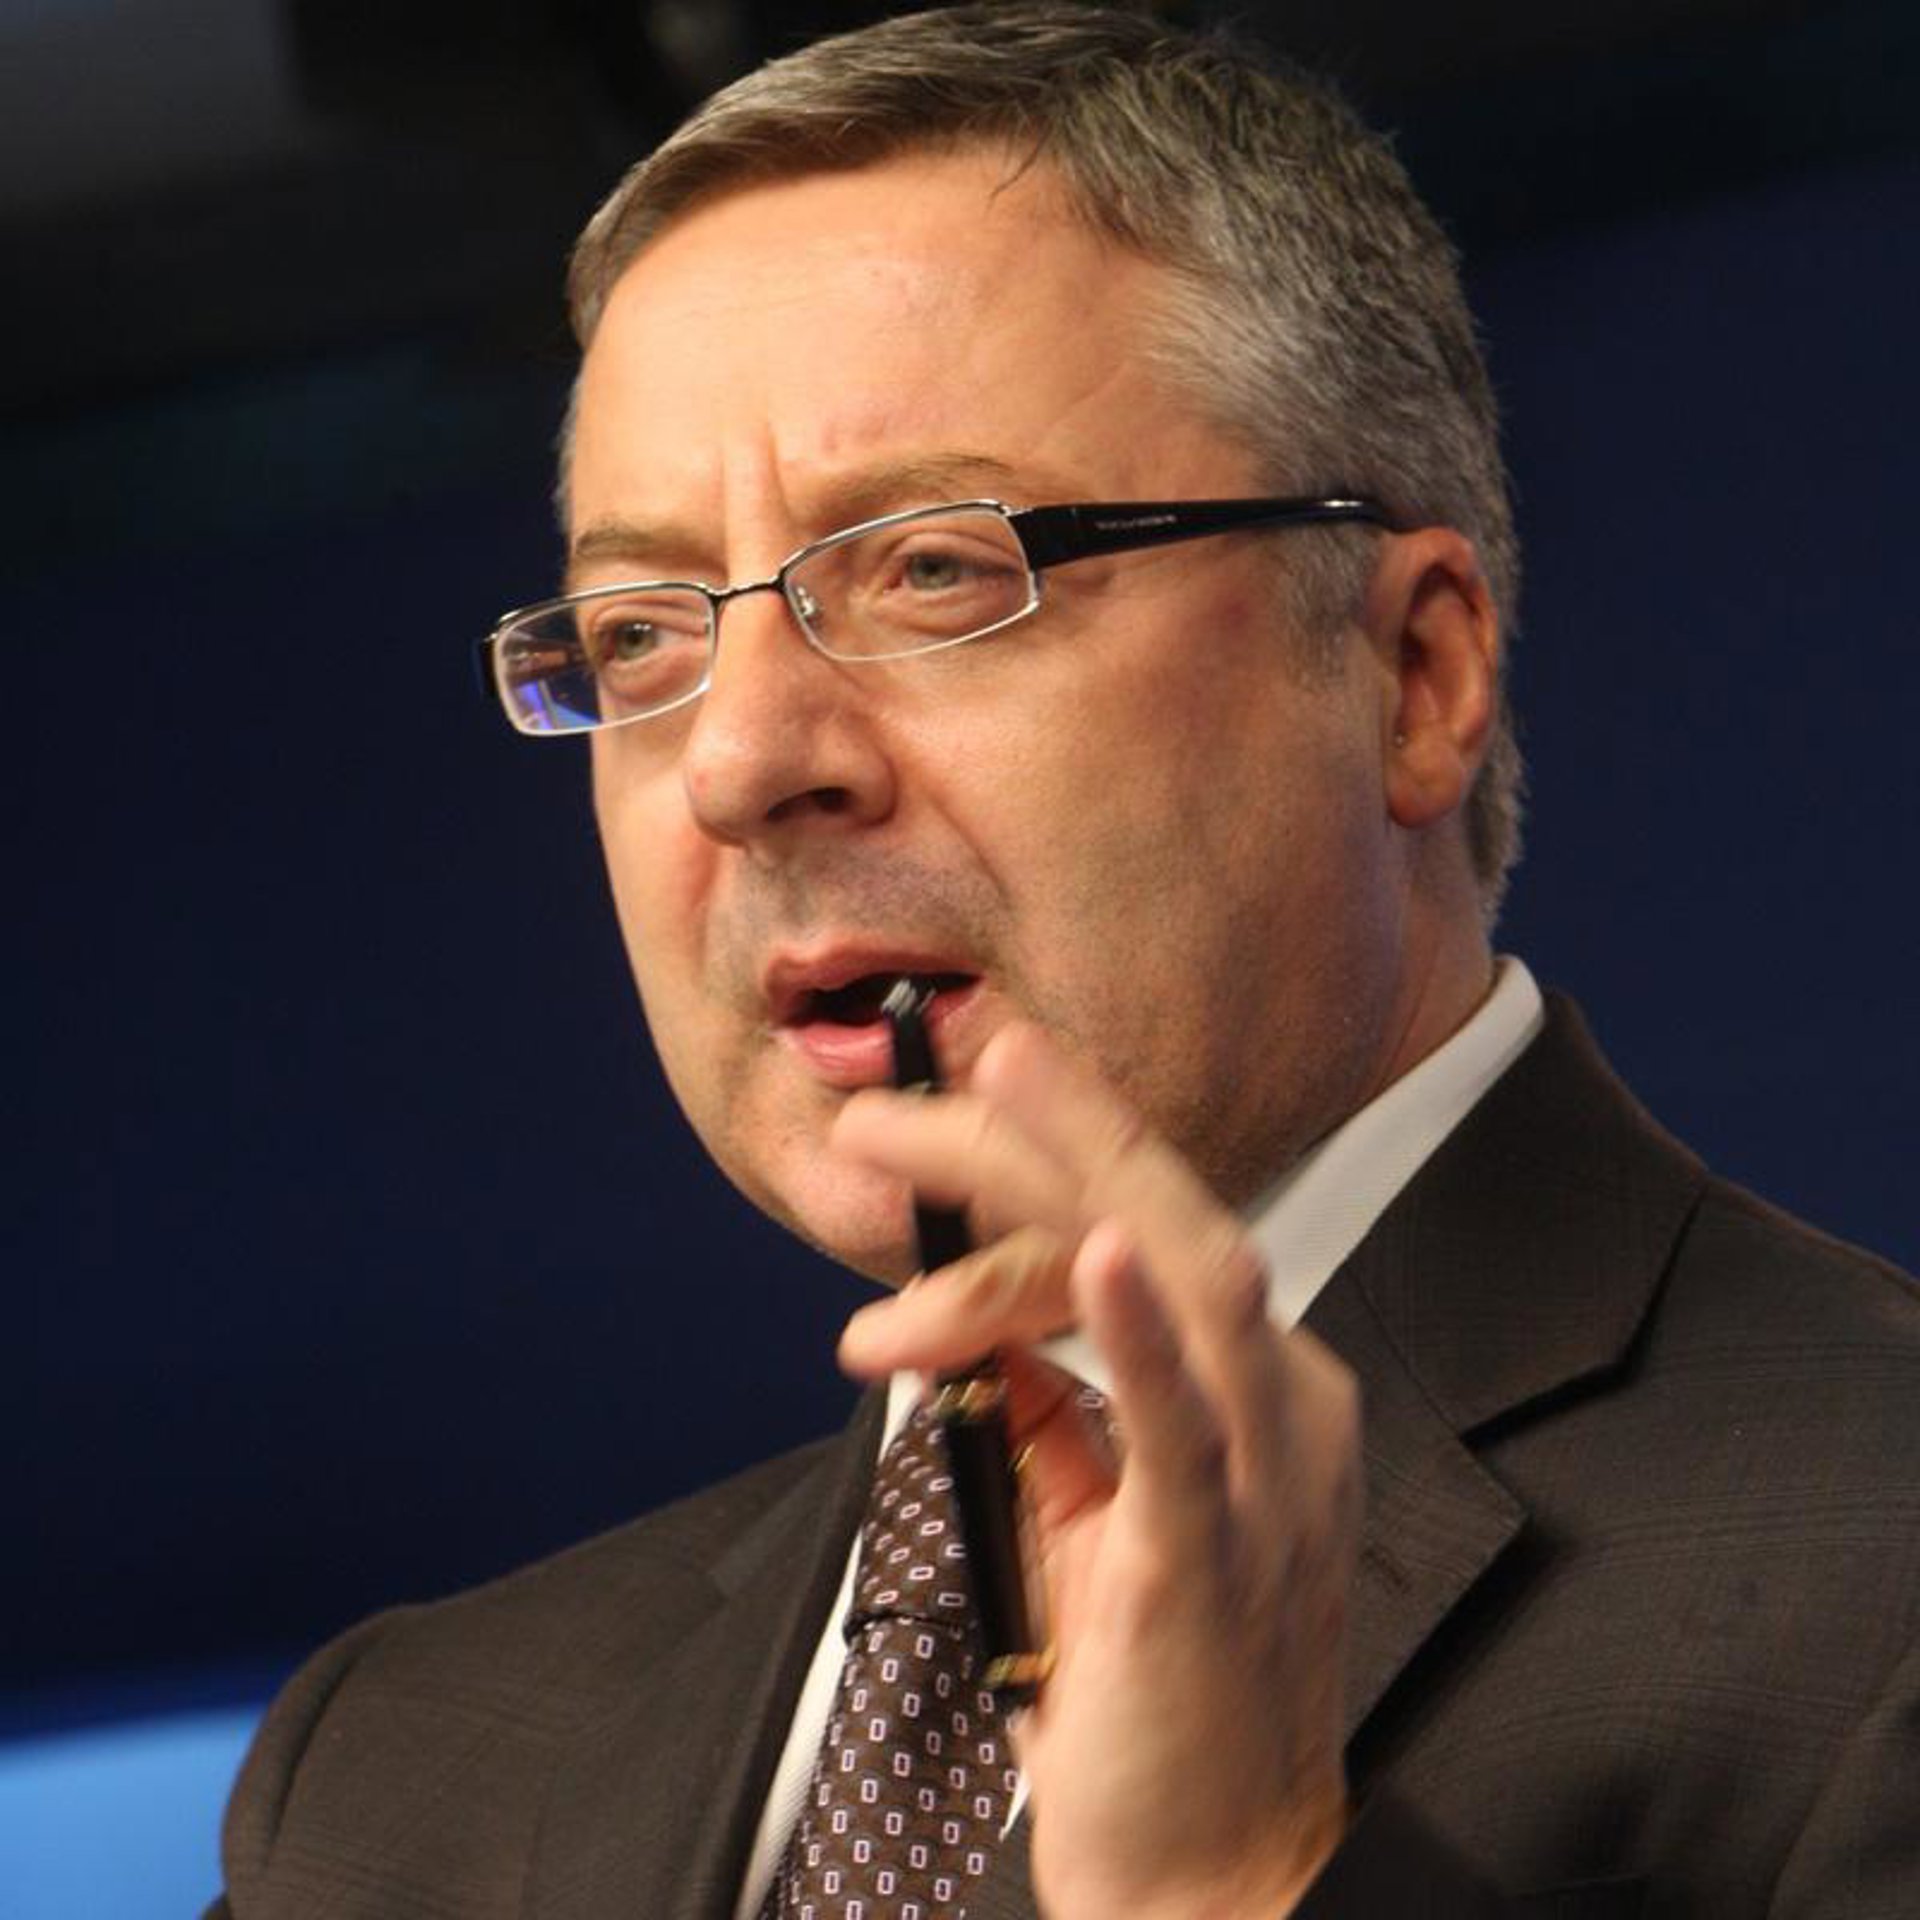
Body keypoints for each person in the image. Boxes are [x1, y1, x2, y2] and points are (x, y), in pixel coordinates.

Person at [212, 5, 1920, 1916]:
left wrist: (1232, 1892)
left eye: (939, 569)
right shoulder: (392, 1783)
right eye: (639, 637)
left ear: (1412, 674)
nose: (742, 763)